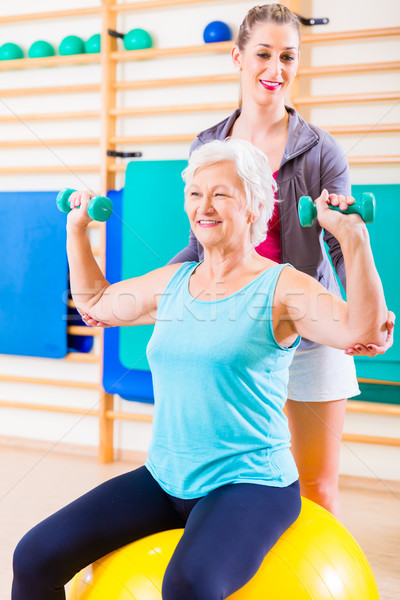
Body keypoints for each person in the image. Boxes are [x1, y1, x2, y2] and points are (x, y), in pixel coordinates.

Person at [13, 138, 387, 600]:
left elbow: (360, 331)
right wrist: (77, 229)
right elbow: (95, 303)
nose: (203, 206)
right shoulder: (173, 282)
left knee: (189, 585)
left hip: (251, 483)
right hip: (165, 476)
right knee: (33, 558)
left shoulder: (283, 287)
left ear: (254, 207)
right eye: (195, 193)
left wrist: (353, 237)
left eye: (221, 194)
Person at [156, 3, 394, 517]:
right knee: (222, 484)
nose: (276, 69)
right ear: (238, 58)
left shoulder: (321, 151)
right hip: (229, 331)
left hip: (306, 328)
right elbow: (201, 245)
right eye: (263, 54)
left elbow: (338, 241)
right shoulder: (208, 145)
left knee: (317, 488)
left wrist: (364, 315)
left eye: (288, 56)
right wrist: (124, 297)